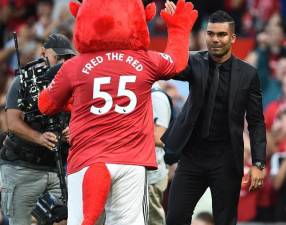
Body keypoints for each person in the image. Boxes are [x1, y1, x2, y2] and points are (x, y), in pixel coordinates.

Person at [37, 0, 198, 224]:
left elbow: (46, 105)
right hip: (130, 160)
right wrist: (178, 29)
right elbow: (176, 62)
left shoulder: (73, 66)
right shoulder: (145, 60)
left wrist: (62, 98)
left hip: (86, 159)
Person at [161, 7, 266, 225]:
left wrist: (258, 163)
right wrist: (177, 30)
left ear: (233, 38)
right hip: (192, 157)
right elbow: (170, 68)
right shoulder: (193, 61)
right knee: (174, 219)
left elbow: (256, 122)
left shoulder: (248, 74)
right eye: (210, 34)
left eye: (221, 34)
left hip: (226, 159)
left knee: (225, 221)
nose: (215, 39)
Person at [0, 33, 75, 225]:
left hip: (57, 166)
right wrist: (39, 137)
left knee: (69, 217)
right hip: (22, 166)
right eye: (58, 57)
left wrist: (72, 130)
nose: (62, 62)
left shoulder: (72, 84)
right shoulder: (23, 82)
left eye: (67, 58)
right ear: (43, 53)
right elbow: (13, 123)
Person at [147, 82, 172, 225]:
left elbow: (159, 138)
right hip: (136, 172)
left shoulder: (156, 96)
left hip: (152, 175)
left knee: (152, 222)